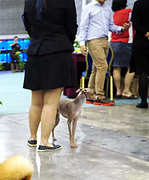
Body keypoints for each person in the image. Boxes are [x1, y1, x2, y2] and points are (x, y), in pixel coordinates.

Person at [23, 0, 78, 152]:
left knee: (36, 102)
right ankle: (45, 141)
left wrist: (37, 38)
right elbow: (71, 25)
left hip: (36, 51)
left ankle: (33, 137)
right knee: (50, 103)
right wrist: (66, 42)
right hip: (58, 51)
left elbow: (27, 24)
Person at [78, 0, 130, 106]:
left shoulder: (107, 8)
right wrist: (82, 43)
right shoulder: (88, 8)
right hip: (93, 40)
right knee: (102, 66)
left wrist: (122, 28)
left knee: (96, 68)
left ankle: (90, 94)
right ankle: (99, 95)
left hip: (105, 40)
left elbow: (112, 26)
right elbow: (83, 27)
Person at [130, 0, 149, 109]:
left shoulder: (139, 3)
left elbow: (136, 24)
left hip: (141, 42)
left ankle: (143, 101)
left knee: (142, 71)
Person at [110, 0, 135, 99]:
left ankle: (118, 91)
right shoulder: (129, 12)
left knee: (116, 67)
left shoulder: (113, 14)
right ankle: (126, 90)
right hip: (126, 43)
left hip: (113, 43)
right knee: (131, 67)